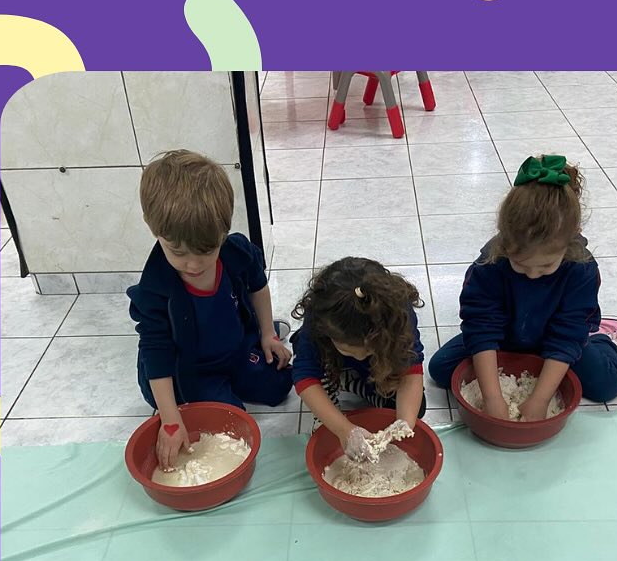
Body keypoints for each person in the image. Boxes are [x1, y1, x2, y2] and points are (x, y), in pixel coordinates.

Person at [427, 154, 617, 418]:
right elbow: (481, 326)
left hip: (557, 334)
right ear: (505, 239)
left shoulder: (581, 269)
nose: (532, 275)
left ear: (570, 239)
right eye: (520, 265)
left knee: (607, 385)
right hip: (506, 335)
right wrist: (492, 397)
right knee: (441, 369)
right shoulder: (490, 264)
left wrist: (540, 399)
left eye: (545, 267)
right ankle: (529, 351)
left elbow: (567, 334)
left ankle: (602, 336)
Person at [127, 150, 291, 472]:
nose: (193, 264)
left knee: (279, 385)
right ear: (152, 228)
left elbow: (258, 286)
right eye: (178, 252)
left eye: (207, 251)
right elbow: (156, 353)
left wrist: (268, 334)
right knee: (229, 423)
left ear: (223, 232)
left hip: (235, 347)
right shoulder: (155, 288)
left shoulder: (236, 251)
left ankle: (250, 355)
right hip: (188, 371)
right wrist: (170, 420)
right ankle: (203, 396)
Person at [289, 258, 426, 461]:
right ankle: (338, 383)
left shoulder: (397, 316)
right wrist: (344, 429)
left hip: (377, 363)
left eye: (367, 350)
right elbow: (304, 376)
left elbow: (411, 368)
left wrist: (402, 424)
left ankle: (353, 382)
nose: (360, 356)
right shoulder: (320, 319)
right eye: (350, 351)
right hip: (331, 360)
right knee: (324, 404)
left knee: (415, 409)